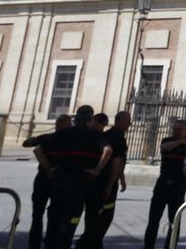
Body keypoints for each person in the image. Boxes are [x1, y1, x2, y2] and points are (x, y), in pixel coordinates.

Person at [33, 106, 108, 249]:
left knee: (53, 221)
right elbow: (108, 150)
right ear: (90, 119)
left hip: (59, 183)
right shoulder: (94, 135)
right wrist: (97, 170)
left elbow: (37, 149)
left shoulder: (63, 133)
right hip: (78, 185)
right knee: (70, 223)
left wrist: (48, 168)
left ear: (76, 119)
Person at [78, 111, 129, 249]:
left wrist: (122, 178)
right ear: (119, 121)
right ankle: (88, 244)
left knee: (94, 217)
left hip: (98, 182)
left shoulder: (106, 135)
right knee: (103, 218)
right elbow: (116, 161)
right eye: (127, 120)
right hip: (105, 183)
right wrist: (111, 184)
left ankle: (89, 243)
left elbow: (119, 162)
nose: (130, 123)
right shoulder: (116, 137)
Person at [143, 119, 186, 249]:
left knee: (174, 221)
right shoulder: (166, 140)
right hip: (162, 185)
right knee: (153, 220)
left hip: (178, 186)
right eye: (175, 129)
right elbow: (164, 148)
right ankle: (148, 246)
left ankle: (170, 246)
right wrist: (179, 142)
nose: (177, 131)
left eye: (180, 129)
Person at [23, 115, 72, 249]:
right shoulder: (66, 140)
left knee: (38, 214)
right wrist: (49, 167)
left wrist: (36, 140)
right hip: (55, 179)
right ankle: (49, 241)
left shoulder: (47, 138)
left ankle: (35, 242)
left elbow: (29, 144)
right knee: (52, 213)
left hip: (45, 178)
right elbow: (32, 146)